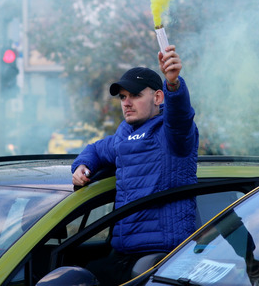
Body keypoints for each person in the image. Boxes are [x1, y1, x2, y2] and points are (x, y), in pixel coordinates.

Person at [71, 44, 199, 285]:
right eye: (123, 97)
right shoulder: (124, 134)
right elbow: (96, 149)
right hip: (124, 251)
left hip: (162, 256)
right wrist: (81, 166)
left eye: (136, 95)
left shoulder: (170, 133)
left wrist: (173, 84)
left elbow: (181, 117)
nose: (127, 103)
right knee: (81, 274)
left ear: (158, 97)